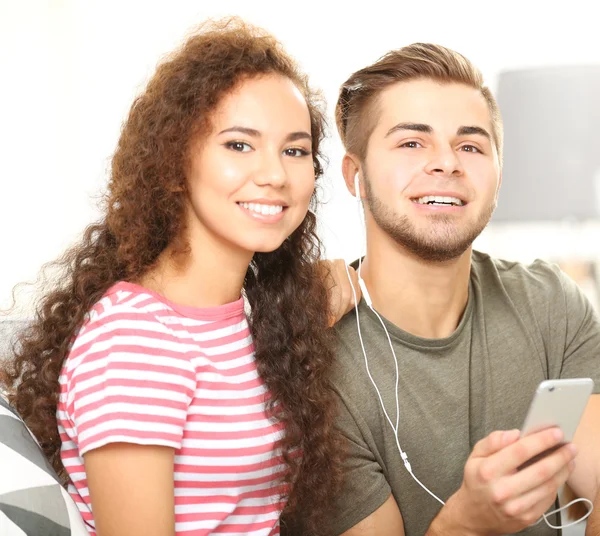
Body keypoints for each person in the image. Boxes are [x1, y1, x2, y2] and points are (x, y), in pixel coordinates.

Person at [1, 18, 352, 536]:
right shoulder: (136, 338)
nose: (276, 174)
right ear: (174, 160)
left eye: (295, 150)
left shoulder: (264, 316)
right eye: (239, 145)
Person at [326, 43, 600, 535]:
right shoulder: (318, 360)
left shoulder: (552, 304)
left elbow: (594, 486)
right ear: (356, 176)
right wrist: (467, 524)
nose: (447, 163)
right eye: (412, 143)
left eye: (471, 146)